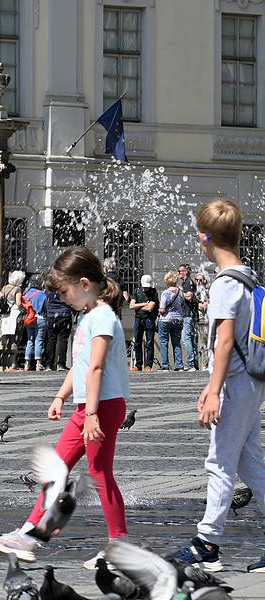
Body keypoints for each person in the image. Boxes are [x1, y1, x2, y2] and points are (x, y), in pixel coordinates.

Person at [0, 246, 130, 567]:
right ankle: (27, 537)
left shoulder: (103, 317)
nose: (62, 298)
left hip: (101, 408)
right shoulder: (90, 316)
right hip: (88, 407)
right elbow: (80, 365)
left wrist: (90, 413)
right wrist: (61, 395)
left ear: (84, 284)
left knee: (99, 472)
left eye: (65, 291)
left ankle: (118, 544)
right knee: (56, 470)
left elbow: (96, 368)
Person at [169, 198, 265, 574]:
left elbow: (224, 341)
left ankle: (207, 543)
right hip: (252, 380)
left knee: (219, 462)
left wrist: (213, 389)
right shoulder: (250, 276)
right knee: (251, 462)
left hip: (237, 382)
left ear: (204, 238)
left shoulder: (226, 284)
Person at [129, 274, 159, 372]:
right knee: (137, 342)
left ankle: (148, 365)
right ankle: (138, 364)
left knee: (149, 342)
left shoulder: (153, 292)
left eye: (147, 286)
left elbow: (150, 308)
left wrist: (138, 306)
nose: (145, 288)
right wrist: (144, 304)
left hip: (149, 319)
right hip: (138, 319)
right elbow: (131, 306)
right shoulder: (137, 291)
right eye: (144, 286)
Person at [158, 271, 186, 371]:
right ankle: (179, 365)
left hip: (165, 320)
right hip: (178, 319)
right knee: (176, 343)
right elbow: (182, 305)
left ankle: (165, 365)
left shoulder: (165, 293)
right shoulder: (181, 293)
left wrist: (160, 310)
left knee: (164, 342)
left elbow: (162, 309)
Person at [0, 271, 25, 370]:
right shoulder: (17, 289)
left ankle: (6, 364)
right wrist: (24, 309)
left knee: (6, 338)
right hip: (15, 314)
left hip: (6, 315)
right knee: (15, 338)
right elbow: (18, 303)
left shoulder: (4, 288)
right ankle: (13, 364)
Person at [43, 281, 72, 371]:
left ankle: (48, 364)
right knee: (63, 339)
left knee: (51, 339)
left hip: (52, 315)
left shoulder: (48, 291)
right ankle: (61, 364)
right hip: (64, 314)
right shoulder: (64, 290)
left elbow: (45, 302)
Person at [22, 274, 47, 371]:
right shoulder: (43, 294)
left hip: (29, 318)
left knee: (30, 340)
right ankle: (38, 363)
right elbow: (45, 308)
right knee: (39, 340)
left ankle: (27, 364)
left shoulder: (27, 293)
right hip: (40, 318)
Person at [179, 263, 199, 371]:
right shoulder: (188, 282)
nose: (178, 273)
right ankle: (194, 363)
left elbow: (189, 296)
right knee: (190, 338)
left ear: (185, 272)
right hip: (189, 314)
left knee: (186, 338)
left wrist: (179, 292)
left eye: (180, 271)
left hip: (188, 315)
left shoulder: (187, 282)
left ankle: (190, 363)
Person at [195, 271, 210, 370]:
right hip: (196, 318)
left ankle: (205, 364)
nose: (199, 282)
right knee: (195, 342)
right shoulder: (193, 291)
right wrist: (198, 305)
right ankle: (195, 364)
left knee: (205, 342)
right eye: (197, 280)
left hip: (205, 319)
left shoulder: (208, 291)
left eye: (201, 280)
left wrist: (207, 304)